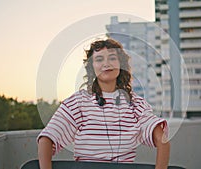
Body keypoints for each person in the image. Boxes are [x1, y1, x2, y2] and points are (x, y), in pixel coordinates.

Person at [37, 38, 170, 169]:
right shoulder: (78, 102)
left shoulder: (136, 104)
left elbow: (163, 141)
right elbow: (46, 139)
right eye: (99, 59)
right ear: (92, 67)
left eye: (112, 58)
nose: (106, 63)